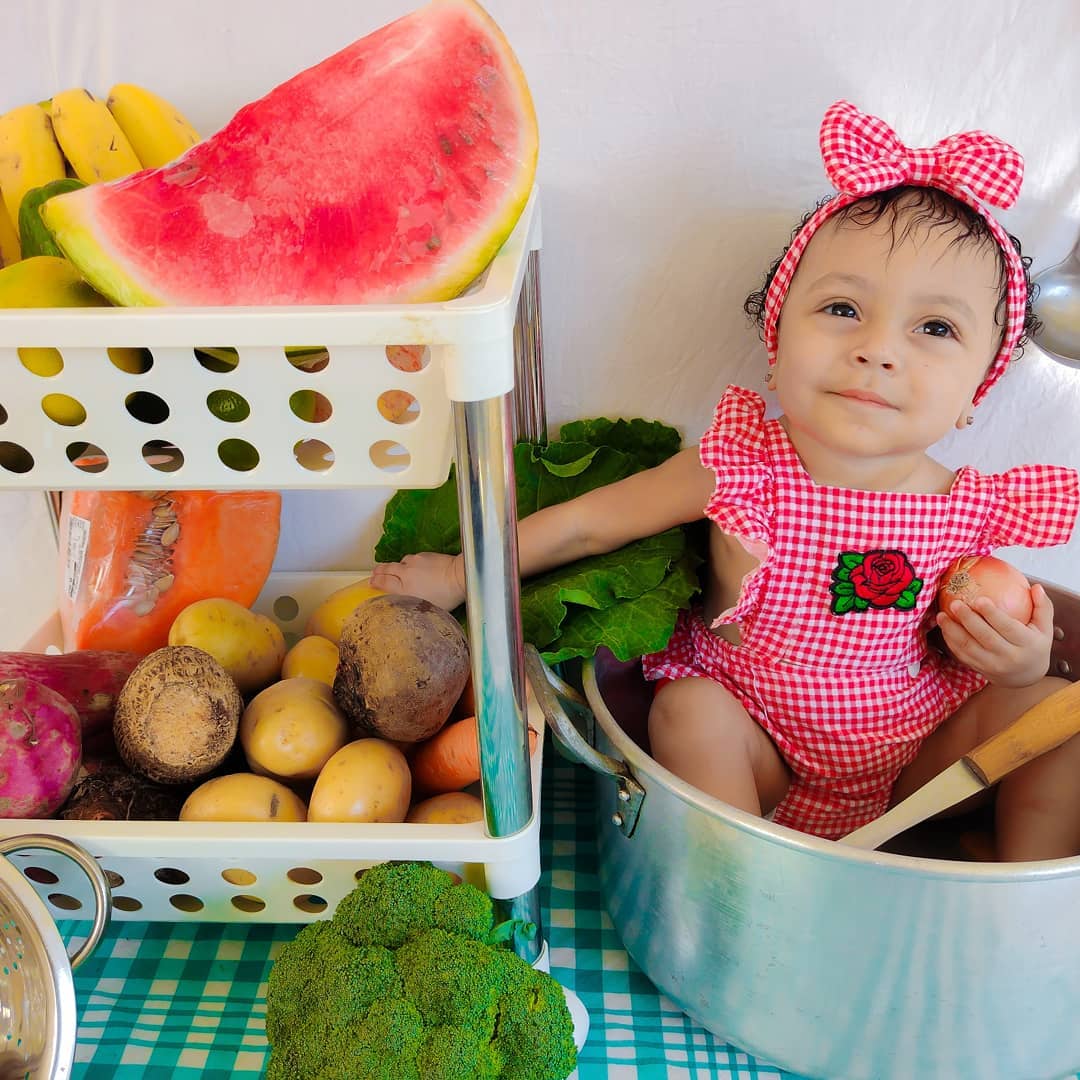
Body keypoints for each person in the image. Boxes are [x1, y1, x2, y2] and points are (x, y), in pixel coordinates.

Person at [371, 100, 1080, 862]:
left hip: (919, 766)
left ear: (980, 390)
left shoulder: (972, 509)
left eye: (934, 328)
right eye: (842, 308)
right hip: (756, 755)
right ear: (775, 345)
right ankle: (746, 886)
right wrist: (456, 572)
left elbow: (995, 642)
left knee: (1062, 716)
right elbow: (591, 524)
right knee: (688, 712)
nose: (878, 350)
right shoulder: (741, 463)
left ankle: (1020, 892)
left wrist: (1021, 661)